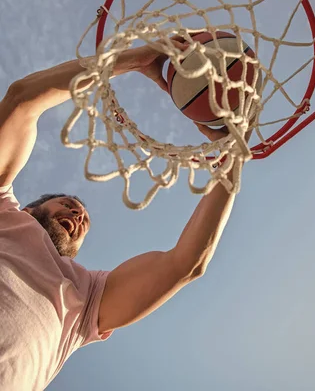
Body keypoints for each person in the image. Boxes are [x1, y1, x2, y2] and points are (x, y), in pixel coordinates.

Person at [0, 42, 244, 390]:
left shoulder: (84, 299)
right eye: (66, 203)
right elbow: (22, 99)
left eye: (83, 220)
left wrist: (236, 150)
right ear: (29, 209)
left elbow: (186, 263)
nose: (78, 213)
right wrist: (133, 59)